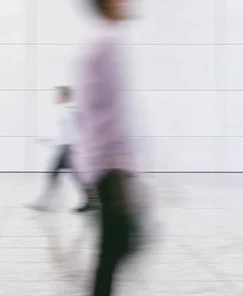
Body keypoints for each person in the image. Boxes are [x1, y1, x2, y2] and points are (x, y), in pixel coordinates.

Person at [77, 1, 141, 295]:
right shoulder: (105, 42)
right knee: (121, 242)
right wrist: (116, 164)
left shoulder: (104, 41)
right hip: (110, 163)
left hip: (108, 161)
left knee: (115, 245)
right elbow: (106, 112)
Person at [27, 86, 98, 213]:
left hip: (69, 149)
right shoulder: (66, 110)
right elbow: (65, 132)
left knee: (68, 175)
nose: (56, 97)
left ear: (65, 96)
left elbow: (74, 132)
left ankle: (45, 201)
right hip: (66, 148)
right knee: (67, 176)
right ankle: (91, 201)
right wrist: (50, 141)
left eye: (58, 95)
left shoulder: (69, 111)